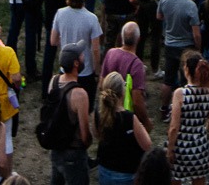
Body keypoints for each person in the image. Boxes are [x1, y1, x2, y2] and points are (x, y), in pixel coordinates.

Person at [167, 50, 209, 185]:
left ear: (187, 69)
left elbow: (174, 127)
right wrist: (205, 133)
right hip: (199, 147)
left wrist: (170, 148)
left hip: (181, 147)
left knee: (175, 179)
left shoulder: (180, 93)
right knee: (199, 179)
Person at [158, 0, 203, 116]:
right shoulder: (190, 6)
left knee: (168, 80)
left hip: (170, 43)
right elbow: (196, 33)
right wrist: (198, 48)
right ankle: (186, 110)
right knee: (187, 80)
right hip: (186, 47)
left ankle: (164, 109)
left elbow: (159, 16)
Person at [96, 71, 153, 185]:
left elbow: (98, 135)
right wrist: (142, 127)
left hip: (105, 168)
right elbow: (147, 144)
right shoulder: (129, 118)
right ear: (123, 91)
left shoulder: (99, 114)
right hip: (126, 173)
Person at [48, 44, 93, 185]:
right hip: (73, 154)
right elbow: (84, 134)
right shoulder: (80, 94)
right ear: (76, 63)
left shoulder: (54, 81)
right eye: (81, 55)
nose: (84, 57)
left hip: (56, 149)